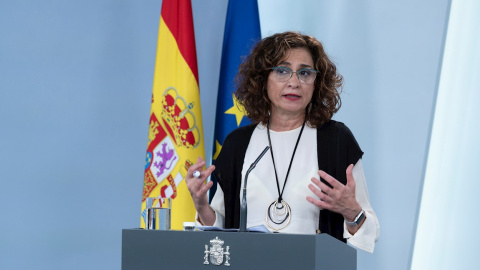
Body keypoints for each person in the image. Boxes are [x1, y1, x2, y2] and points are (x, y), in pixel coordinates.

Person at [186, 31, 379, 252]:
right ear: (262, 80)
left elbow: (370, 231)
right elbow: (220, 228)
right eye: (282, 71)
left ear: (316, 83)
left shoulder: (336, 140)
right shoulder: (237, 144)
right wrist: (201, 206)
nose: (294, 82)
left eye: (305, 73)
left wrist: (352, 212)